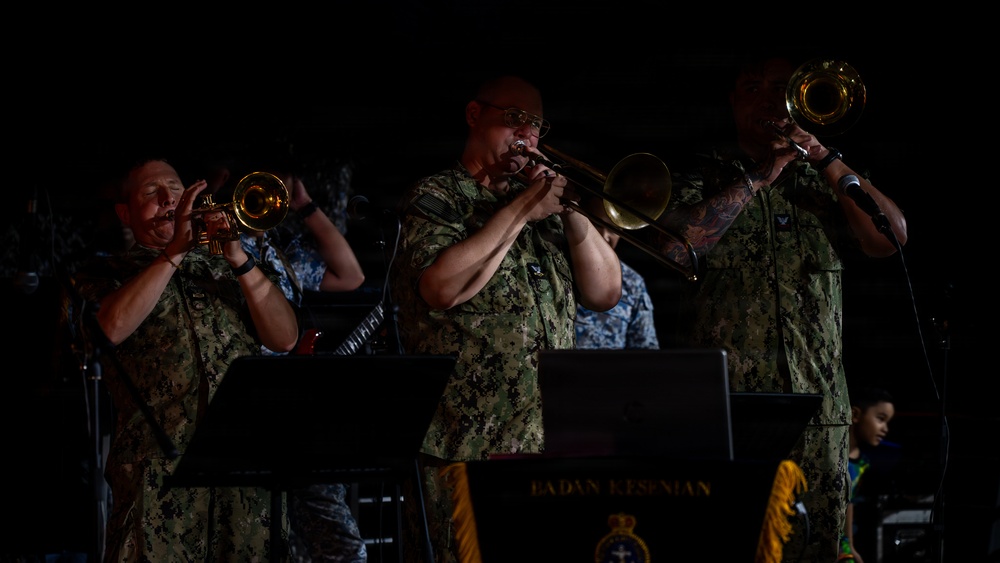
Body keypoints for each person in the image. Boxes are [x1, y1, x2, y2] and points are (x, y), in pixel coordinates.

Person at [655, 54, 909, 563]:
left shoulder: (830, 186)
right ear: (732, 101)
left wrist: (825, 156)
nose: (771, 100)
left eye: (782, 89)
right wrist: (761, 175)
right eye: (754, 88)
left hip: (818, 417)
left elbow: (892, 239)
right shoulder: (697, 176)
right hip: (724, 417)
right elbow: (676, 247)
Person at [389, 74, 622, 562]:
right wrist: (522, 207)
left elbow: (604, 292)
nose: (527, 136)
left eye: (537, 126)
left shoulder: (544, 206)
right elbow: (440, 288)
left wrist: (573, 209)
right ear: (475, 115)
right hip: (464, 445)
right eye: (515, 119)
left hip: (549, 442)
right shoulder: (436, 197)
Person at [73, 156, 300, 561]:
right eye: (151, 193)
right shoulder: (105, 273)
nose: (167, 200)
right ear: (125, 213)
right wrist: (174, 253)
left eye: (175, 190)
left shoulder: (231, 267)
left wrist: (238, 258)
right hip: (159, 476)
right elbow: (109, 328)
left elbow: (285, 338)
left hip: (243, 468)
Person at [192, 147, 369, 562]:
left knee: (337, 544)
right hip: (234, 414)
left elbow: (351, 275)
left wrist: (305, 205)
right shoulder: (206, 251)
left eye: (274, 191)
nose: (265, 198)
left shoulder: (281, 254)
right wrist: (211, 204)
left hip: (291, 415)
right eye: (254, 187)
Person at [574, 193, 659, 349]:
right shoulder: (557, 264)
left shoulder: (632, 282)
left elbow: (646, 351)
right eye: (596, 224)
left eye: (613, 229)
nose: (604, 237)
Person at [839, 386, 896, 562]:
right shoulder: (833, 458)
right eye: (880, 419)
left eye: (887, 422)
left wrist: (850, 546)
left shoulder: (862, 463)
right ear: (855, 415)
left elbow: (849, 502)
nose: (885, 429)